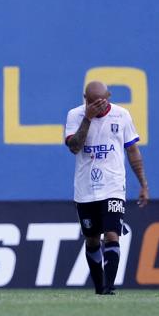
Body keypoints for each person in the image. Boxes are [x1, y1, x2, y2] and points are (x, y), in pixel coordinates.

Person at [64, 81, 149, 295]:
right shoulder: (75, 116)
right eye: (94, 103)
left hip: (113, 186)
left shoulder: (122, 115)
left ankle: (109, 288)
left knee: (112, 234)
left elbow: (132, 152)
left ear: (109, 97)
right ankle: (99, 287)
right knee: (92, 239)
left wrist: (143, 183)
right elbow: (74, 147)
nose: (100, 106)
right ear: (86, 99)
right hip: (85, 188)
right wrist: (88, 118)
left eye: (103, 102)